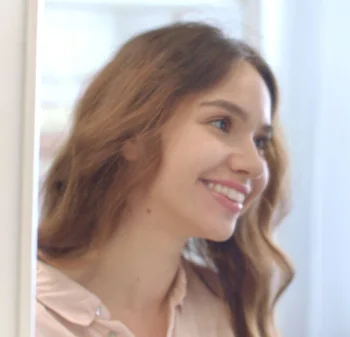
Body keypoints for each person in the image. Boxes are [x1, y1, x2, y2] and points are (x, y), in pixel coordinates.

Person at [35, 22, 294, 337]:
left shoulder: (233, 310)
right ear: (132, 133)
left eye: (261, 142)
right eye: (222, 123)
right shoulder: (24, 309)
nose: (255, 165)